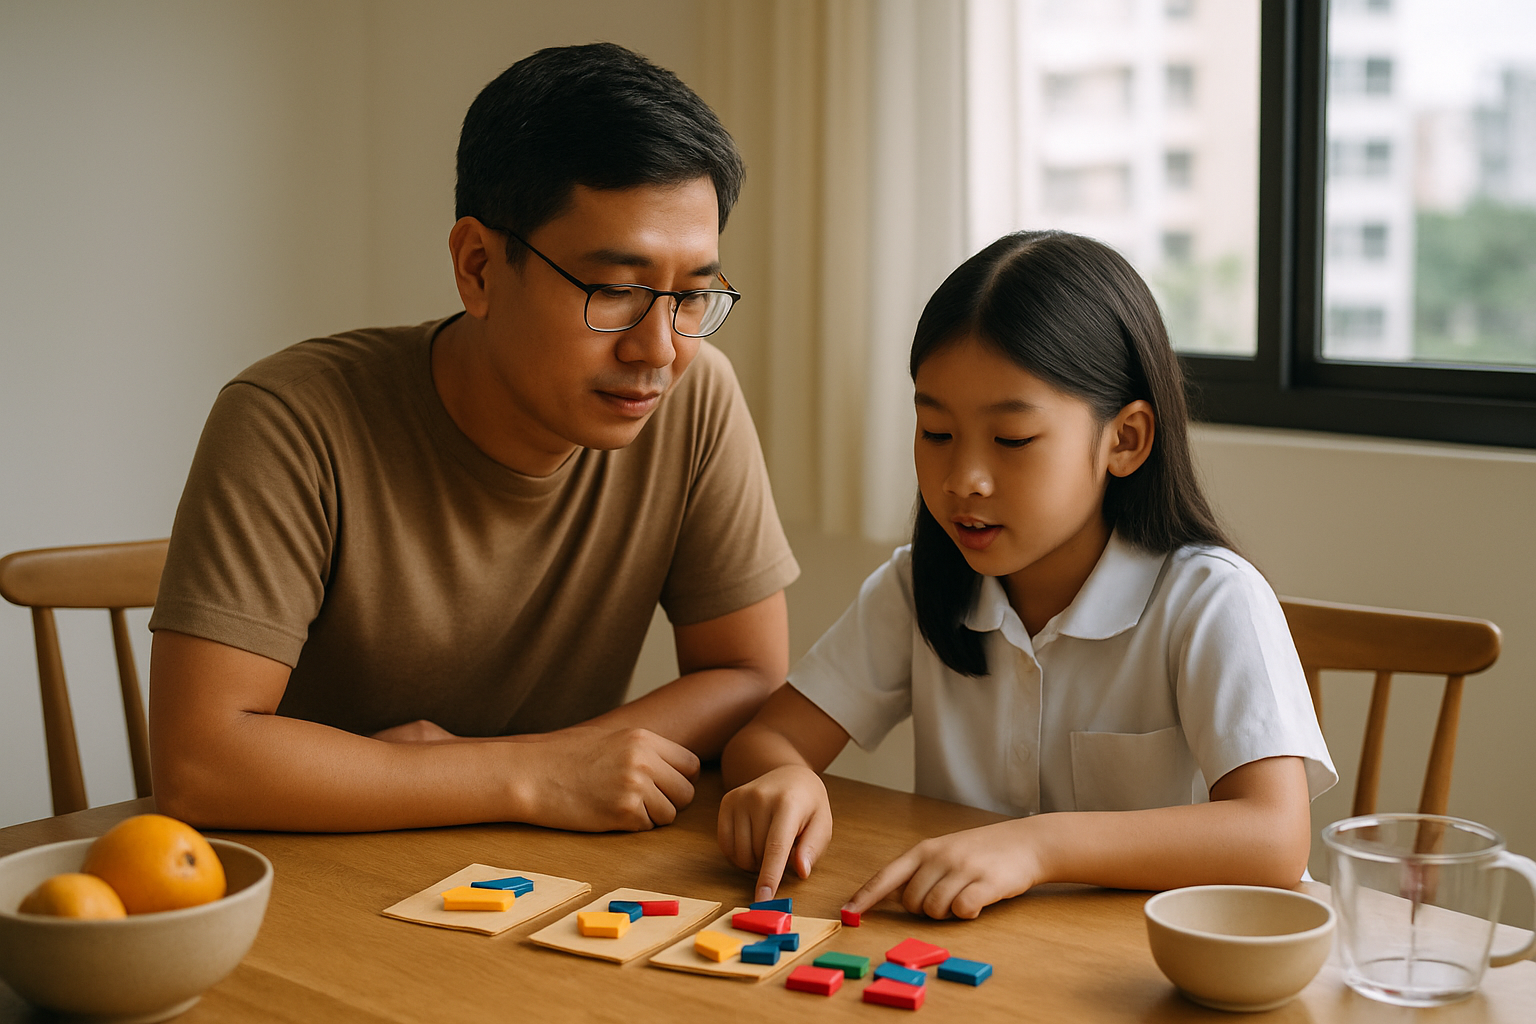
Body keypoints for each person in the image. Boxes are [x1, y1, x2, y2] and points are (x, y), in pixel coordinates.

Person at [147, 43, 799, 834]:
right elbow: (199, 764)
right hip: (318, 879)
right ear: (479, 268)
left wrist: (554, 762)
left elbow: (749, 671)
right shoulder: (291, 420)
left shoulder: (693, 399)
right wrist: (528, 774)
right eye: (616, 291)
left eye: (692, 296)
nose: (658, 350)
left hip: (534, 876)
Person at [716, 231, 1336, 919]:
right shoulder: (919, 585)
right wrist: (785, 779)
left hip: (1153, 968)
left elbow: (1274, 837)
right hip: (986, 956)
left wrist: (1040, 847)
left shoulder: (1210, 600)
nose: (963, 480)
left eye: (1012, 440)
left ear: (1124, 440)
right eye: (936, 433)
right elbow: (764, 741)